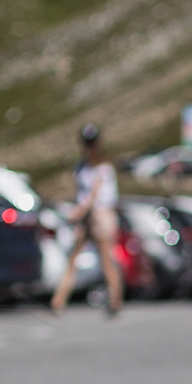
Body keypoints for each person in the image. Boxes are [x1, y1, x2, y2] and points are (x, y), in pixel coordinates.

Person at [50, 124, 124, 316]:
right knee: (72, 258)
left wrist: (78, 212)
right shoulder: (81, 167)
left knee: (106, 260)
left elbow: (95, 195)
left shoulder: (103, 169)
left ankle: (115, 301)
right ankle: (58, 302)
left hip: (100, 217)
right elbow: (81, 193)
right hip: (85, 218)